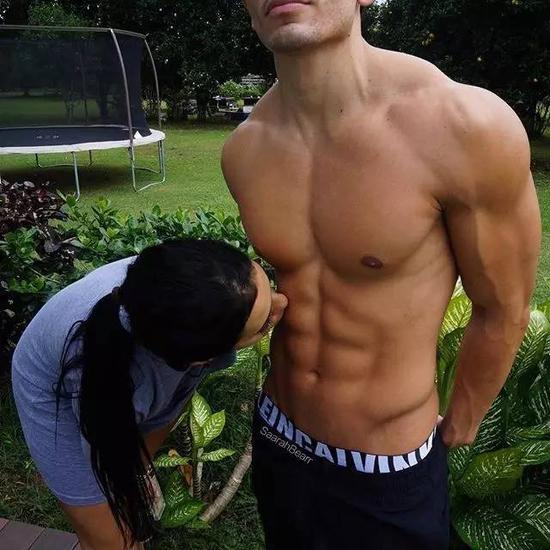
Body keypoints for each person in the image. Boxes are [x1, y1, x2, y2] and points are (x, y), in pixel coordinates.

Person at [221, 1, 541, 548]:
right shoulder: (245, 149)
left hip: (388, 463)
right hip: (280, 436)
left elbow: (503, 307)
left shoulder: (464, 126)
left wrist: (461, 421)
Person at [11, 238, 287, 550]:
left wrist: (137, 472)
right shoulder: (122, 382)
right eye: (266, 322)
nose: (283, 304)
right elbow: (108, 457)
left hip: (135, 370)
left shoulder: (201, 289)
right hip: (52, 387)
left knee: (133, 475)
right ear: (201, 358)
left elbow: (166, 410)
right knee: (114, 540)